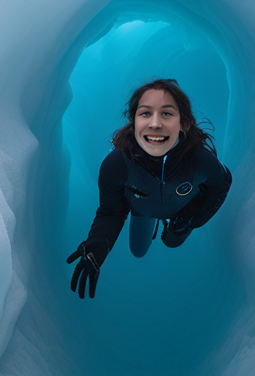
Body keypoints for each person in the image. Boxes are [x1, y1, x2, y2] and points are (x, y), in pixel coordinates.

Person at [67, 78, 233, 298]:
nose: (155, 124)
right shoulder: (117, 165)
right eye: (145, 113)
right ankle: (156, 221)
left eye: (167, 114)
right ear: (133, 121)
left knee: (172, 242)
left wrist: (191, 218)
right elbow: (110, 212)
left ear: (184, 123)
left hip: (181, 211)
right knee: (138, 251)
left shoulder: (201, 162)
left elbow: (221, 185)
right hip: (141, 209)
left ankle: (170, 227)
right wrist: (97, 247)